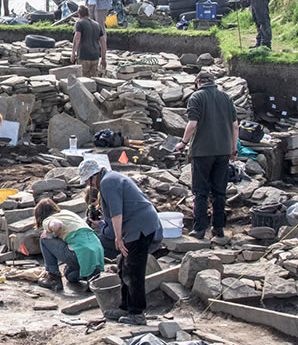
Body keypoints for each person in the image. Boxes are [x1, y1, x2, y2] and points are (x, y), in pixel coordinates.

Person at [79, 158, 160, 326]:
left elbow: (117, 213)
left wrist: (118, 238)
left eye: (88, 181)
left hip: (141, 227)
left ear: (94, 176)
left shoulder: (108, 183)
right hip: (136, 226)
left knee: (134, 270)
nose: (89, 185)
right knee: (124, 267)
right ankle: (125, 307)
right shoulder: (110, 179)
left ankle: (137, 313)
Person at [175, 72, 238, 239]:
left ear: (198, 82)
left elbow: (192, 124)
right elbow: (235, 126)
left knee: (201, 191)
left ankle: (199, 229)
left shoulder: (197, 97)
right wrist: (233, 148)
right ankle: (219, 229)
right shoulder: (226, 97)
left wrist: (183, 142)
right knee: (219, 191)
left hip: (202, 152)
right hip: (223, 151)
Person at [33, 198, 105, 293]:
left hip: (81, 251)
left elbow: (57, 225)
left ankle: (53, 277)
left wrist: (51, 235)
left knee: (44, 239)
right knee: (69, 275)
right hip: (97, 250)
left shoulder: (48, 219)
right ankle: (91, 275)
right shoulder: (67, 213)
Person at [71, 5, 107, 77]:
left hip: (83, 57)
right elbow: (103, 42)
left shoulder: (79, 23)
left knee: (83, 81)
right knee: (93, 81)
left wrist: (73, 53)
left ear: (79, 14)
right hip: (95, 58)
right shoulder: (97, 25)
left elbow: (77, 37)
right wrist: (103, 58)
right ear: (88, 13)